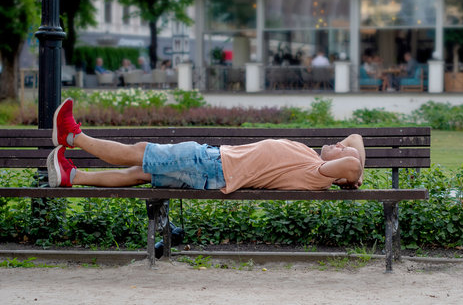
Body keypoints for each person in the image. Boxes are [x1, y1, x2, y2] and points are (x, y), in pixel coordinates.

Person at [47, 99, 366, 193]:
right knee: (140, 173)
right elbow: (357, 140)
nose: (339, 143)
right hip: (213, 171)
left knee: (141, 152)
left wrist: (352, 174)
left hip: (209, 164)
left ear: (337, 172)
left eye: (339, 148)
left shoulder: (317, 172)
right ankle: (72, 178)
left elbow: (351, 162)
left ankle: (73, 137)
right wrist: (356, 175)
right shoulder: (310, 158)